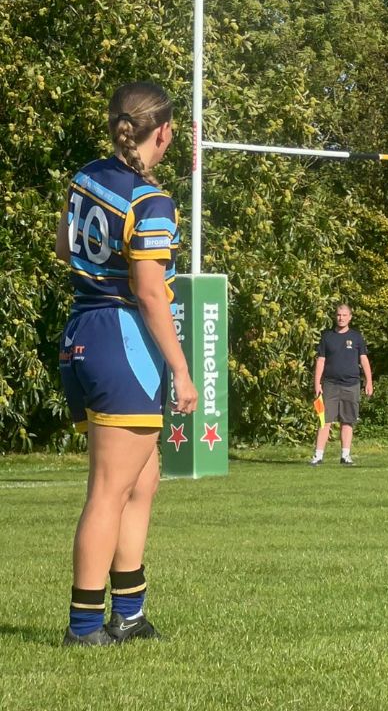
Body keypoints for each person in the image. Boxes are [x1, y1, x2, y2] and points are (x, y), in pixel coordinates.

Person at [55, 82, 198, 646]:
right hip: (121, 339)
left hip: (83, 330)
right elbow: (151, 291)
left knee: (142, 481)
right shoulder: (150, 201)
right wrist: (182, 370)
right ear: (163, 132)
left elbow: (66, 248)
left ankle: (130, 613)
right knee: (110, 489)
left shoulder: (86, 176)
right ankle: (86, 625)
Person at [311, 304, 373, 466]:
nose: (341, 318)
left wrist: (369, 381)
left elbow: (364, 360)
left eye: (344, 315)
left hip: (351, 384)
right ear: (335, 316)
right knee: (324, 420)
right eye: (339, 315)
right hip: (330, 384)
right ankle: (318, 456)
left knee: (348, 420)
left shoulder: (357, 337)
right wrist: (317, 383)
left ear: (350, 317)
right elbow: (321, 360)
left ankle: (345, 456)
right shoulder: (327, 337)